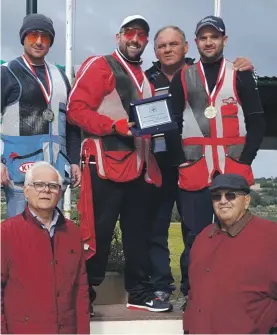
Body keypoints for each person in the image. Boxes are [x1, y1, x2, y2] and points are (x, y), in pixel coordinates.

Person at [67, 15, 172, 313]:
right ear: (119, 36)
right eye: (130, 32)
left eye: (141, 34)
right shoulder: (99, 64)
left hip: (139, 166)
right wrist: (113, 126)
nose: (135, 38)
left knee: (138, 231)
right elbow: (75, 110)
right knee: (98, 231)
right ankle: (83, 294)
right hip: (105, 163)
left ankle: (139, 293)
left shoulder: (147, 77)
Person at [144, 24, 255, 303]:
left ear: (185, 47)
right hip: (158, 162)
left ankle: (202, 287)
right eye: (161, 45)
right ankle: (161, 287)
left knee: (196, 231)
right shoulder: (144, 78)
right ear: (155, 51)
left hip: (193, 165)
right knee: (157, 227)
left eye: (173, 44)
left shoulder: (197, 72)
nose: (167, 49)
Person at [168, 15, 266, 306]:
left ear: (224, 40)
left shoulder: (241, 73)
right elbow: (172, 123)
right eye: (203, 37)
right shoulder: (183, 76)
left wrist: (245, 160)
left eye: (214, 36)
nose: (209, 42)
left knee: (238, 235)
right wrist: (179, 162)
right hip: (195, 168)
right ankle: (192, 293)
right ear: (195, 42)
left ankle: (238, 294)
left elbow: (257, 121)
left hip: (232, 168)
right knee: (195, 239)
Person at [1, 13, 81, 218]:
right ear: (23, 38)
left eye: (45, 37)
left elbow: (71, 124)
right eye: (32, 36)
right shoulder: (7, 72)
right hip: (19, 173)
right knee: (20, 237)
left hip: (55, 174)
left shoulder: (61, 76)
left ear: (51, 42)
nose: (38, 42)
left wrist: (73, 161)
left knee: (52, 236)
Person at [1, 161, 90, 334]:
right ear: (26, 191)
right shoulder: (6, 232)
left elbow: (81, 289)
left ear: (60, 192)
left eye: (52, 186)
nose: (46, 190)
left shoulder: (72, 232)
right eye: (38, 184)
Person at [183, 173, 277, 334]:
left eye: (231, 195)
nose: (223, 201)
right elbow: (194, 292)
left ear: (246, 201)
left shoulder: (271, 236)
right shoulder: (202, 238)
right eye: (216, 196)